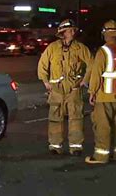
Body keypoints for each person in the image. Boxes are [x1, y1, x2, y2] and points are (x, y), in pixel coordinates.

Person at [38, 19, 93, 156]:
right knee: (55, 118)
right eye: (70, 30)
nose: (73, 32)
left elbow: (92, 64)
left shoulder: (80, 48)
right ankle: (55, 146)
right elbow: (42, 65)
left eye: (74, 30)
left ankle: (75, 146)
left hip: (74, 90)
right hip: (56, 91)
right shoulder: (52, 48)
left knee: (76, 118)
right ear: (63, 32)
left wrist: (84, 81)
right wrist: (45, 82)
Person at [86, 20, 116, 164]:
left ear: (106, 33)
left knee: (103, 127)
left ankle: (101, 156)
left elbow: (96, 74)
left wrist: (92, 92)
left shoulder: (103, 51)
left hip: (105, 95)